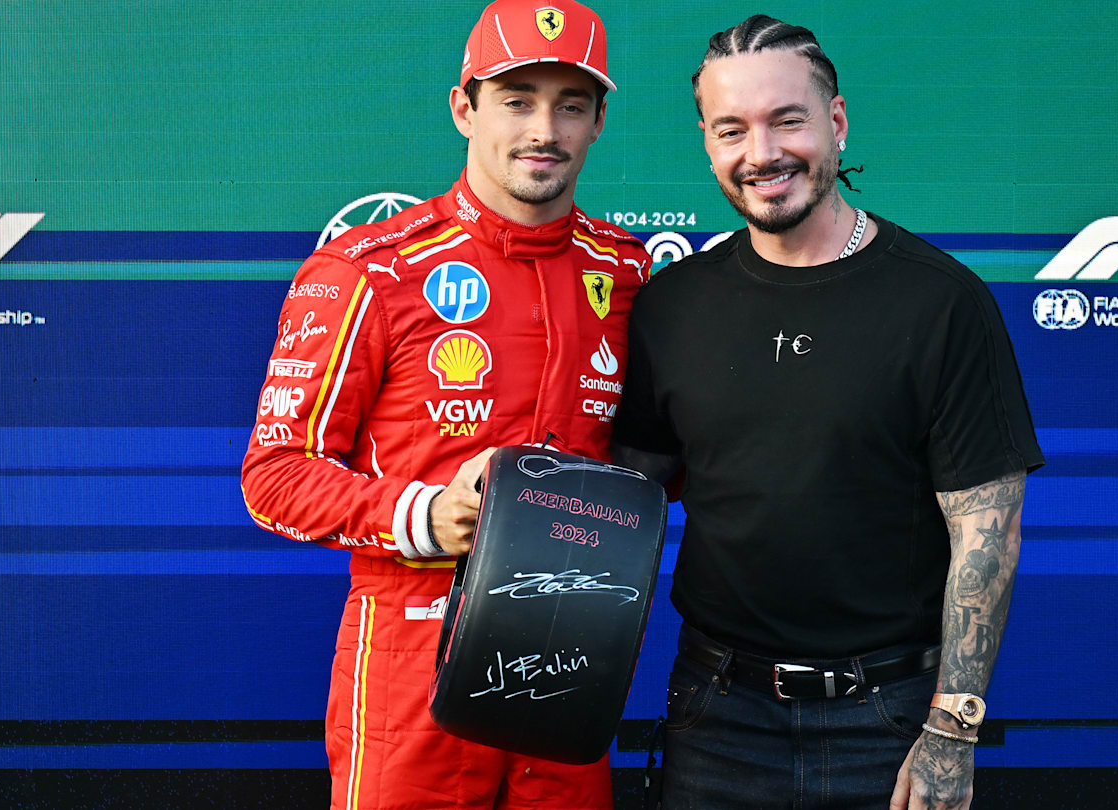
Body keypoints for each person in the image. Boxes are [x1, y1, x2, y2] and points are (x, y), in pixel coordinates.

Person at [611, 15, 1044, 810]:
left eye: (788, 120)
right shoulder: (671, 305)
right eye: (731, 129)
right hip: (715, 715)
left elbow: (988, 531)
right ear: (707, 142)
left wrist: (951, 732)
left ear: (836, 122)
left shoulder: (940, 303)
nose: (762, 154)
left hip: (891, 721)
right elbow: (627, 494)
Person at [241, 2, 650, 807]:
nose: (545, 128)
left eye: (571, 104)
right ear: (464, 107)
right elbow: (274, 476)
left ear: (599, 122)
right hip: (408, 661)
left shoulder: (627, 272)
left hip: (571, 655)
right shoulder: (367, 270)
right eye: (517, 99)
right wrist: (427, 515)